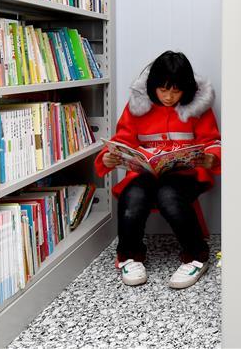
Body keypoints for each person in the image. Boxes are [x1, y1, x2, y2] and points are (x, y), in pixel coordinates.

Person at [95, 51, 221, 289]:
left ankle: (196, 255)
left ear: (188, 89)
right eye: (163, 90)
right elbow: (123, 140)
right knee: (132, 197)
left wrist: (211, 159)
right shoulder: (138, 107)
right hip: (145, 173)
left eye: (176, 90)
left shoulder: (199, 108)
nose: (169, 97)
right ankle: (129, 256)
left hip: (186, 175)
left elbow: (212, 142)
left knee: (169, 195)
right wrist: (110, 158)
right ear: (153, 87)